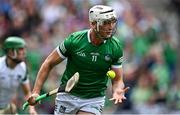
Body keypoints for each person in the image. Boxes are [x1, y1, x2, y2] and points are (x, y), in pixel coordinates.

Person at [28, 5, 128, 114]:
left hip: (93, 98)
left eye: (112, 22)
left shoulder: (115, 46)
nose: (110, 27)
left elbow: (118, 79)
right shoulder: (74, 41)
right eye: (105, 23)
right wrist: (36, 92)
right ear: (93, 24)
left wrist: (118, 89)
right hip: (68, 95)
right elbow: (48, 63)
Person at [0, 36, 37, 114]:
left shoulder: (22, 67)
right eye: (20, 49)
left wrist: (32, 109)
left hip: (7, 108)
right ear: (10, 51)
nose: (24, 52)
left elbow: (27, 92)